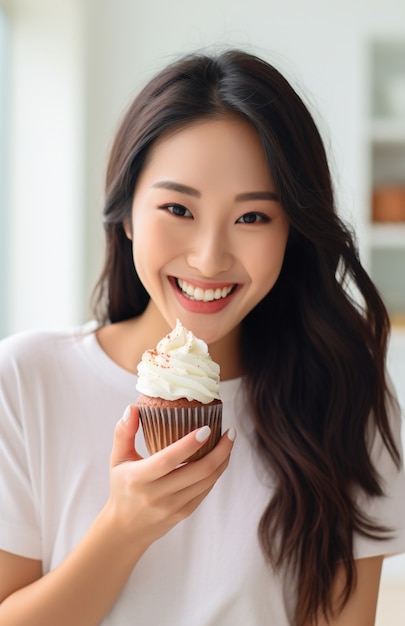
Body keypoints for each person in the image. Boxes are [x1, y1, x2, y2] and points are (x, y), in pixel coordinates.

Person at [0, 49, 404, 626]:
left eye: (253, 218)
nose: (210, 258)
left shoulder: (342, 395)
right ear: (128, 213)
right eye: (177, 208)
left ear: (293, 230)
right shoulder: (22, 381)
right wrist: (123, 529)